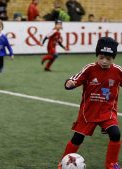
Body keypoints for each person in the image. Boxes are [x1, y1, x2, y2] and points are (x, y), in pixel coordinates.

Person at [58, 37, 121, 169]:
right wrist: (70, 83)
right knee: (77, 138)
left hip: (107, 111)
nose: (104, 61)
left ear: (113, 59)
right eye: (101, 57)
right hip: (88, 113)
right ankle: (63, 163)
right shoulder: (90, 68)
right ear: (97, 55)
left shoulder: (118, 71)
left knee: (115, 134)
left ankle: (111, 164)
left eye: (108, 59)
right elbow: (75, 79)